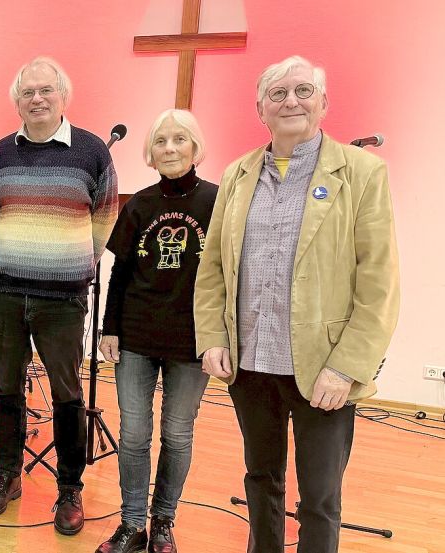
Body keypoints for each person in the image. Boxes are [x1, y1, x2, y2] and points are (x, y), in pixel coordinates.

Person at [194, 55, 400, 553]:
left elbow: (379, 282)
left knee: (319, 499)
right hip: (251, 363)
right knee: (261, 481)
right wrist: (213, 337)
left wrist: (348, 367)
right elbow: (213, 270)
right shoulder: (238, 174)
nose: (291, 101)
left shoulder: (362, 173)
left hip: (323, 369)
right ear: (260, 108)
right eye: (278, 93)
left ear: (324, 103)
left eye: (304, 91)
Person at [0, 57, 119, 536]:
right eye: (27, 92)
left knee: (67, 395)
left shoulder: (92, 151)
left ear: (63, 96)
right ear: (16, 101)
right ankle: (6, 476)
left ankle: (69, 489)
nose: (36, 99)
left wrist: (74, 262)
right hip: (4, 296)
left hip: (62, 301)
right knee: (9, 390)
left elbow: (104, 218)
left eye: (45, 91)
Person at [95, 109, 217, 553]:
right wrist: (109, 330)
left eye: (179, 139)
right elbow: (120, 273)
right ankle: (132, 524)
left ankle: (163, 521)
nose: (169, 148)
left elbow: (226, 276)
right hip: (136, 335)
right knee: (133, 435)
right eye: (161, 141)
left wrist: (220, 337)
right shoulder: (139, 205)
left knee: (178, 434)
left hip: (192, 340)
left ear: (195, 147)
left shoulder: (217, 203)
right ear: (150, 152)